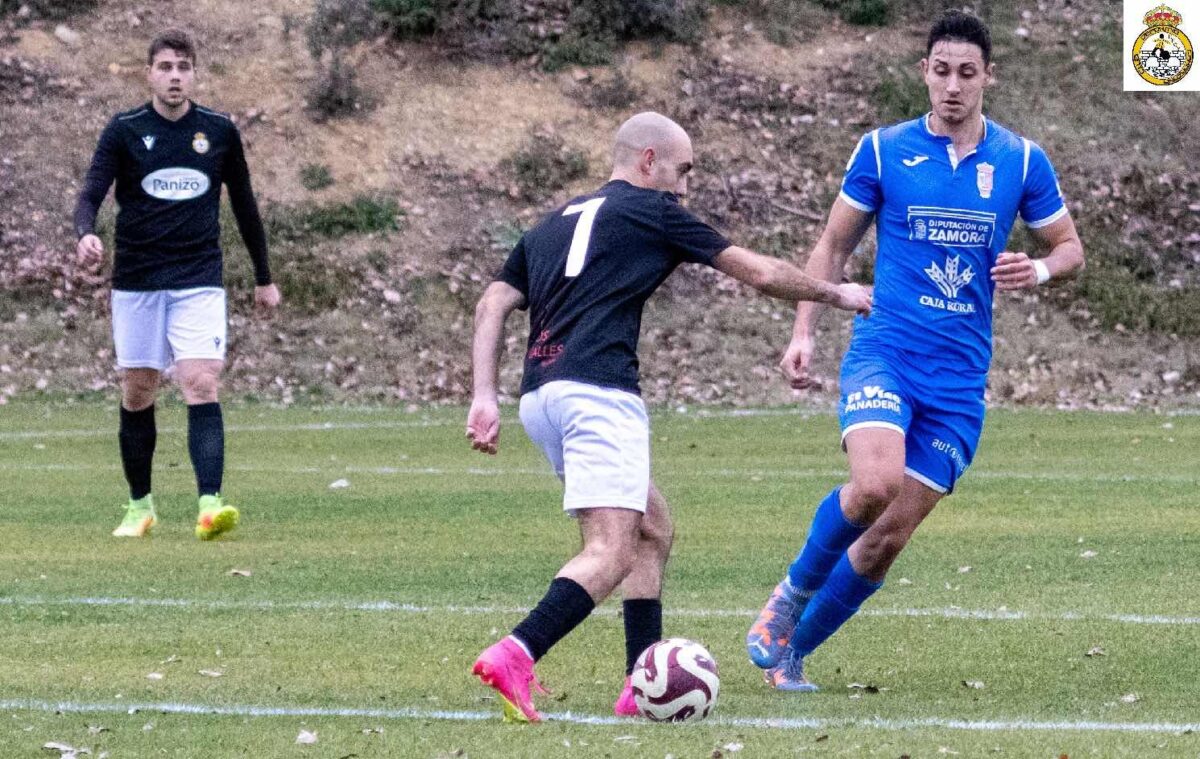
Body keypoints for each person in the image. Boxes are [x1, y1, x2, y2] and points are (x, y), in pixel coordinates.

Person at [466, 111, 873, 722]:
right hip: (598, 394)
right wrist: (837, 293)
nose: (685, 187)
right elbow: (761, 272)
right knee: (611, 550)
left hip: (541, 396)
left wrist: (483, 395)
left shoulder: (554, 221)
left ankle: (639, 683)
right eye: (683, 171)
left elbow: (492, 302)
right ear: (649, 160)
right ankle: (517, 653)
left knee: (652, 528)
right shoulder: (653, 210)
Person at [745, 10, 1086, 691]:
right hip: (887, 351)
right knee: (875, 484)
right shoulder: (882, 150)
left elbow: (1070, 247)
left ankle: (790, 655)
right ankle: (789, 595)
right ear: (924, 73)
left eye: (967, 73)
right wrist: (804, 331)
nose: (953, 86)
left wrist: (1040, 269)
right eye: (942, 71)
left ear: (988, 76)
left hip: (959, 378)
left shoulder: (1021, 161)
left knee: (887, 537)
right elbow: (832, 247)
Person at [73, 28, 281, 540]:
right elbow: (91, 192)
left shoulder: (218, 131)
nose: (174, 76)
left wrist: (263, 277)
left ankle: (210, 505)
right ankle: (139, 506)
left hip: (198, 279)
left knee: (201, 381)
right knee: (138, 390)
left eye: (183, 67)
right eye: (165, 67)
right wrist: (84, 234)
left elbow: (246, 205)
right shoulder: (124, 130)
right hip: (137, 281)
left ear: (194, 74)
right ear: (149, 73)